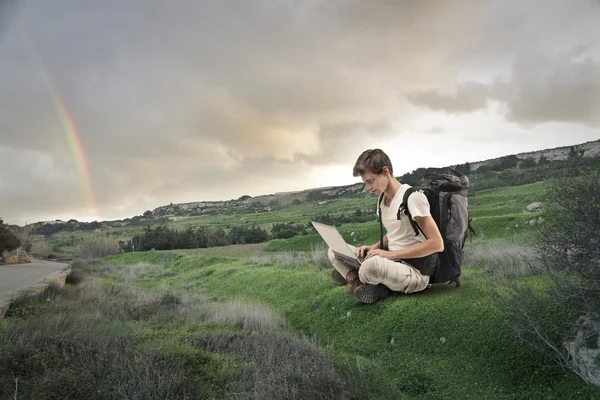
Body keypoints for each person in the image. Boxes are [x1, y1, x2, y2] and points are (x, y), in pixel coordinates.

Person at [327, 149, 444, 304]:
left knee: (370, 267)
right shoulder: (382, 200)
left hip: (414, 271)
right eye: (365, 183)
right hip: (390, 264)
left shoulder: (413, 197)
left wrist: (389, 255)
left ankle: (354, 277)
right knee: (334, 250)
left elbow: (437, 243)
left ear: (385, 171)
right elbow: (396, 231)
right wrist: (373, 247)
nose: (368, 187)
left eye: (370, 181)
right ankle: (357, 281)